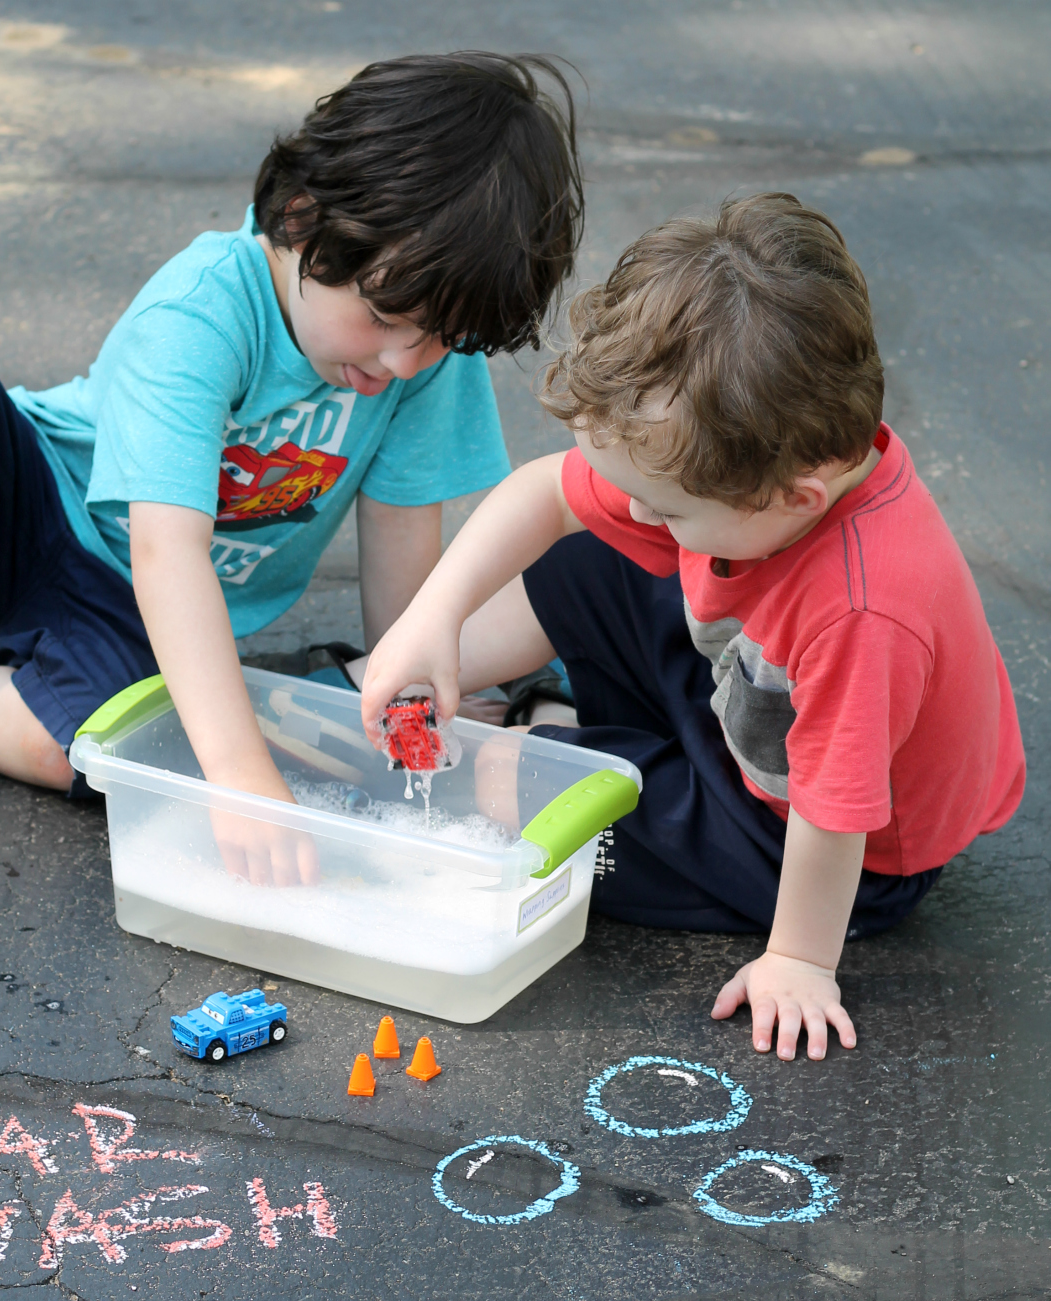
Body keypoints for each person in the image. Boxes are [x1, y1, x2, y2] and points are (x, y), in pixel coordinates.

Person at [0, 52, 584, 884]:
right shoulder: (205, 309)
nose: (406, 360)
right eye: (382, 318)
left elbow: (405, 557)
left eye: (439, 336)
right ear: (300, 218)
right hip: (48, 512)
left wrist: (404, 703)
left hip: (142, 611)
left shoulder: (426, 350)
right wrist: (241, 778)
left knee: (84, 752)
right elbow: (165, 550)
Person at [361, 193, 1025, 1061]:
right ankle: (408, 687)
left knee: (532, 810)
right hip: (756, 707)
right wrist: (430, 625)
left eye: (667, 505)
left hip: (824, 853)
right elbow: (549, 492)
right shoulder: (760, 481)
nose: (639, 506)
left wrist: (797, 958)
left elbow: (834, 817)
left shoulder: (864, 611)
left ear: (795, 500)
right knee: (584, 549)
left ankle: (539, 738)